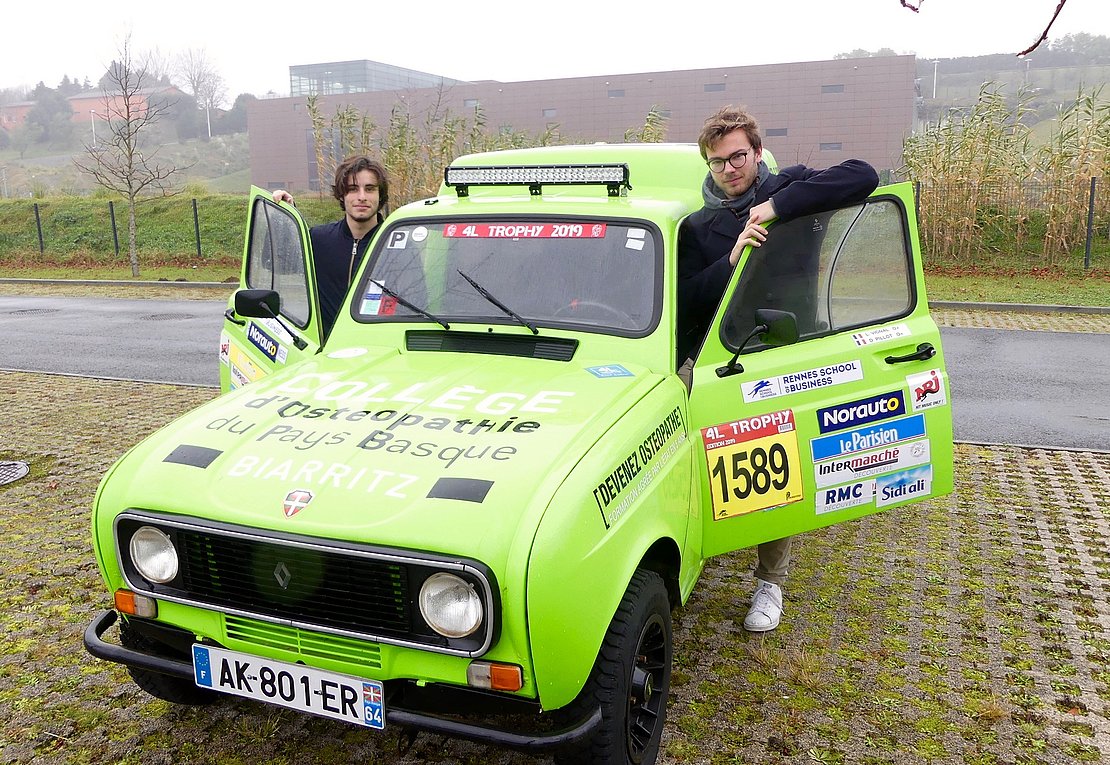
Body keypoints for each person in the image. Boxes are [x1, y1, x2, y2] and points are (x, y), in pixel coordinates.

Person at [677, 105, 879, 633]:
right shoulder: (698, 226)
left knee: (778, 466)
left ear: (757, 152)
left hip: (787, 350)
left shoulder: (793, 188)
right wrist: (730, 260)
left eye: (738, 155)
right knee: (715, 461)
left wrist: (774, 206)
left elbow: (865, 175)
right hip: (725, 356)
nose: (730, 168)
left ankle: (771, 582)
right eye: (718, 160)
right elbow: (686, 302)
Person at [272, 155, 390, 336]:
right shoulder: (319, 240)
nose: (361, 197)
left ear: (380, 194)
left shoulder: (397, 247)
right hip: (327, 355)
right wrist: (285, 217)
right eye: (352, 189)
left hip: (378, 355)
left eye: (370, 189)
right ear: (342, 195)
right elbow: (278, 263)